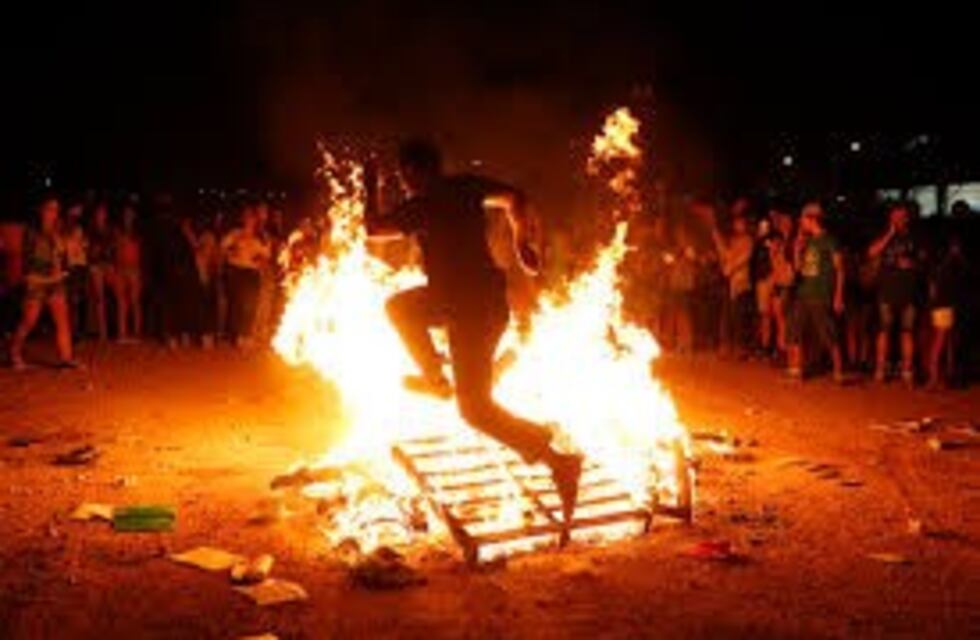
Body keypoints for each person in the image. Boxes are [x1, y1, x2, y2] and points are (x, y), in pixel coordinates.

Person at [363, 139, 583, 533]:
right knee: (406, 314)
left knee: (474, 408)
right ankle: (436, 378)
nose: (404, 183)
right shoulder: (465, 186)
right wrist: (521, 245)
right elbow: (516, 197)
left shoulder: (424, 203)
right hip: (483, 305)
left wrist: (369, 183)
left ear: (413, 172)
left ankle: (557, 459)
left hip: (463, 308)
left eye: (403, 176)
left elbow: (374, 230)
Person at [9, 195, 78, 369]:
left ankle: (66, 358)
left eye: (56, 210)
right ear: (41, 210)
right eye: (50, 209)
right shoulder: (32, 232)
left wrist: (61, 263)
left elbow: (62, 255)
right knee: (29, 320)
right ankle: (14, 351)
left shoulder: (57, 232)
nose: (53, 213)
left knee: (62, 319)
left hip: (54, 281)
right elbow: (28, 259)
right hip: (37, 280)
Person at [787, 202, 844, 382]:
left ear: (812, 219)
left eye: (803, 218)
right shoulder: (807, 241)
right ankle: (796, 370)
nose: (800, 222)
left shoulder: (829, 241)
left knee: (828, 334)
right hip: (803, 293)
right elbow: (798, 269)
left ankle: (838, 371)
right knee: (795, 332)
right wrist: (797, 248)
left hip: (821, 294)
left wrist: (838, 296)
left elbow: (840, 269)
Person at [868, 203, 920, 384]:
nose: (898, 220)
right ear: (890, 218)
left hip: (908, 291)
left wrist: (911, 264)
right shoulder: (884, 236)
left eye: (901, 216)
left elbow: (924, 261)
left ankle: (907, 370)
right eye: (894, 217)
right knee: (884, 330)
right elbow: (872, 252)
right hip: (887, 291)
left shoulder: (914, 237)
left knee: (907, 332)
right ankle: (881, 369)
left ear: (907, 218)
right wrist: (890, 234)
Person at [221, 204, 270, 349]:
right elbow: (223, 246)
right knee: (238, 305)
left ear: (255, 220)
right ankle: (238, 337)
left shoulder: (261, 236)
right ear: (242, 219)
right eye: (246, 218)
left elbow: (267, 253)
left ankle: (247, 335)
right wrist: (231, 254)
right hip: (237, 271)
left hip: (252, 272)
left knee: (251, 305)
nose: (249, 220)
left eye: (252, 218)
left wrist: (261, 258)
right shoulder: (236, 233)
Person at [710, 212, 754, 359]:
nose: (737, 225)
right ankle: (725, 348)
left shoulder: (748, 240)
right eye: (736, 223)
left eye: (740, 223)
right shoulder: (733, 240)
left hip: (740, 283)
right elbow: (726, 254)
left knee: (738, 317)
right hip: (729, 282)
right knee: (726, 315)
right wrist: (716, 235)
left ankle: (740, 348)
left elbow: (745, 257)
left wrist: (731, 268)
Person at [927, 235, 967, 389]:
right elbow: (936, 288)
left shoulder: (945, 265)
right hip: (943, 306)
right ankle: (934, 378)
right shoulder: (946, 266)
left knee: (948, 342)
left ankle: (945, 377)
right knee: (940, 342)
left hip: (945, 306)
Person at [162, 214, 203, 349]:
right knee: (175, 307)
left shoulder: (191, 235)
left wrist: (189, 234)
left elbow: (197, 249)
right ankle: (173, 337)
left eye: (188, 223)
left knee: (188, 306)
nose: (186, 225)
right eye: (183, 223)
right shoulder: (172, 236)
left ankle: (185, 335)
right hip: (174, 275)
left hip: (189, 276)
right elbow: (169, 256)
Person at [113, 204, 143, 343]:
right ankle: (122, 333)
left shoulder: (137, 232)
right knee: (122, 302)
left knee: (135, 302)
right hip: (121, 268)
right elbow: (116, 250)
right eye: (126, 214)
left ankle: (137, 333)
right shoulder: (118, 231)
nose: (128, 217)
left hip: (135, 269)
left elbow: (140, 252)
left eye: (130, 214)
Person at [86, 202, 115, 341]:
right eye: (99, 213)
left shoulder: (109, 229)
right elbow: (88, 248)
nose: (101, 215)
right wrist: (93, 251)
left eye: (103, 213)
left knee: (114, 294)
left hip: (107, 264)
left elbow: (112, 247)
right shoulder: (91, 230)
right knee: (99, 298)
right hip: (96, 265)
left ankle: (112, 328)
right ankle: (103, 332)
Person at [62, 201, 88, 340]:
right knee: (70, 300)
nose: (77, 216)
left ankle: (75, 330)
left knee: (76, 300)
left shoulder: (79, 229)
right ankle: (70, 330)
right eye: (74, 213)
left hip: (79, 266)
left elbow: (83, 246)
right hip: (70, 266)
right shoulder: (63, 229)